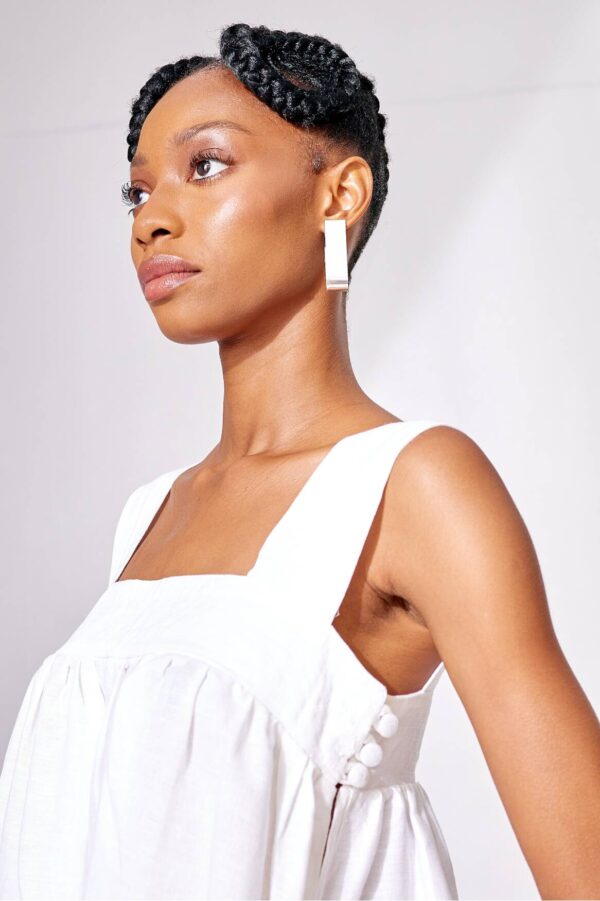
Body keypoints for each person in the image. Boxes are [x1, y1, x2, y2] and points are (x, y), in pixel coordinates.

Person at [1, 21, 599, 901]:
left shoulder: (414, 484)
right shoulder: (149, 515)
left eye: (206, 165)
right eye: (138, 191)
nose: (151, 219)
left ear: (338, 195)